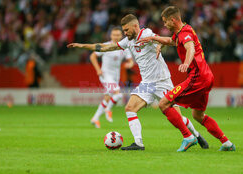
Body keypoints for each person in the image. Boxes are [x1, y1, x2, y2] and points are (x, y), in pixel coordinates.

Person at [67, 14, 208, 152]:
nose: (125, 33)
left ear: (135, 26)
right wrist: (82, 46)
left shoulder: (146, 33)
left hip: (162, 81)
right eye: (124, 31)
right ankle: (138, 143)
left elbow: (160, 40)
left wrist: (159, 45)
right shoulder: (128, 41)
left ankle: (196, 135)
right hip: (147, 84)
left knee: (177, 117)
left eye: (127, 30)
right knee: (129, 108)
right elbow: (105, 48)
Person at [137, 6, 235, 151]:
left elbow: (190, 48)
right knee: (198, 115)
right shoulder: (184, 30)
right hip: (207, 76)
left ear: (173, 20)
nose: (164, 25)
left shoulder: (185, 33)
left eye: (165, 22)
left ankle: (188, 137)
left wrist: (186, 63)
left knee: (164, 103)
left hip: (198, 77)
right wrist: (154, 39)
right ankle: (226, 143)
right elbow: (171, 41)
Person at [90, 27, 134, 128]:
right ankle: (108, 109)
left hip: (115, 76)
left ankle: (95, 118)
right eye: (114, 35)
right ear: (111, 36)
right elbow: (92, 56)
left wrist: (130, 64)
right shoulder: (106, 45)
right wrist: (98, 69)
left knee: (107, 97)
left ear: (121, 36)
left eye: (118, 35)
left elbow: (130, 60)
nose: (116, 37)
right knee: (118, 94)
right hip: (105, 75)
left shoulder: (123, 47)